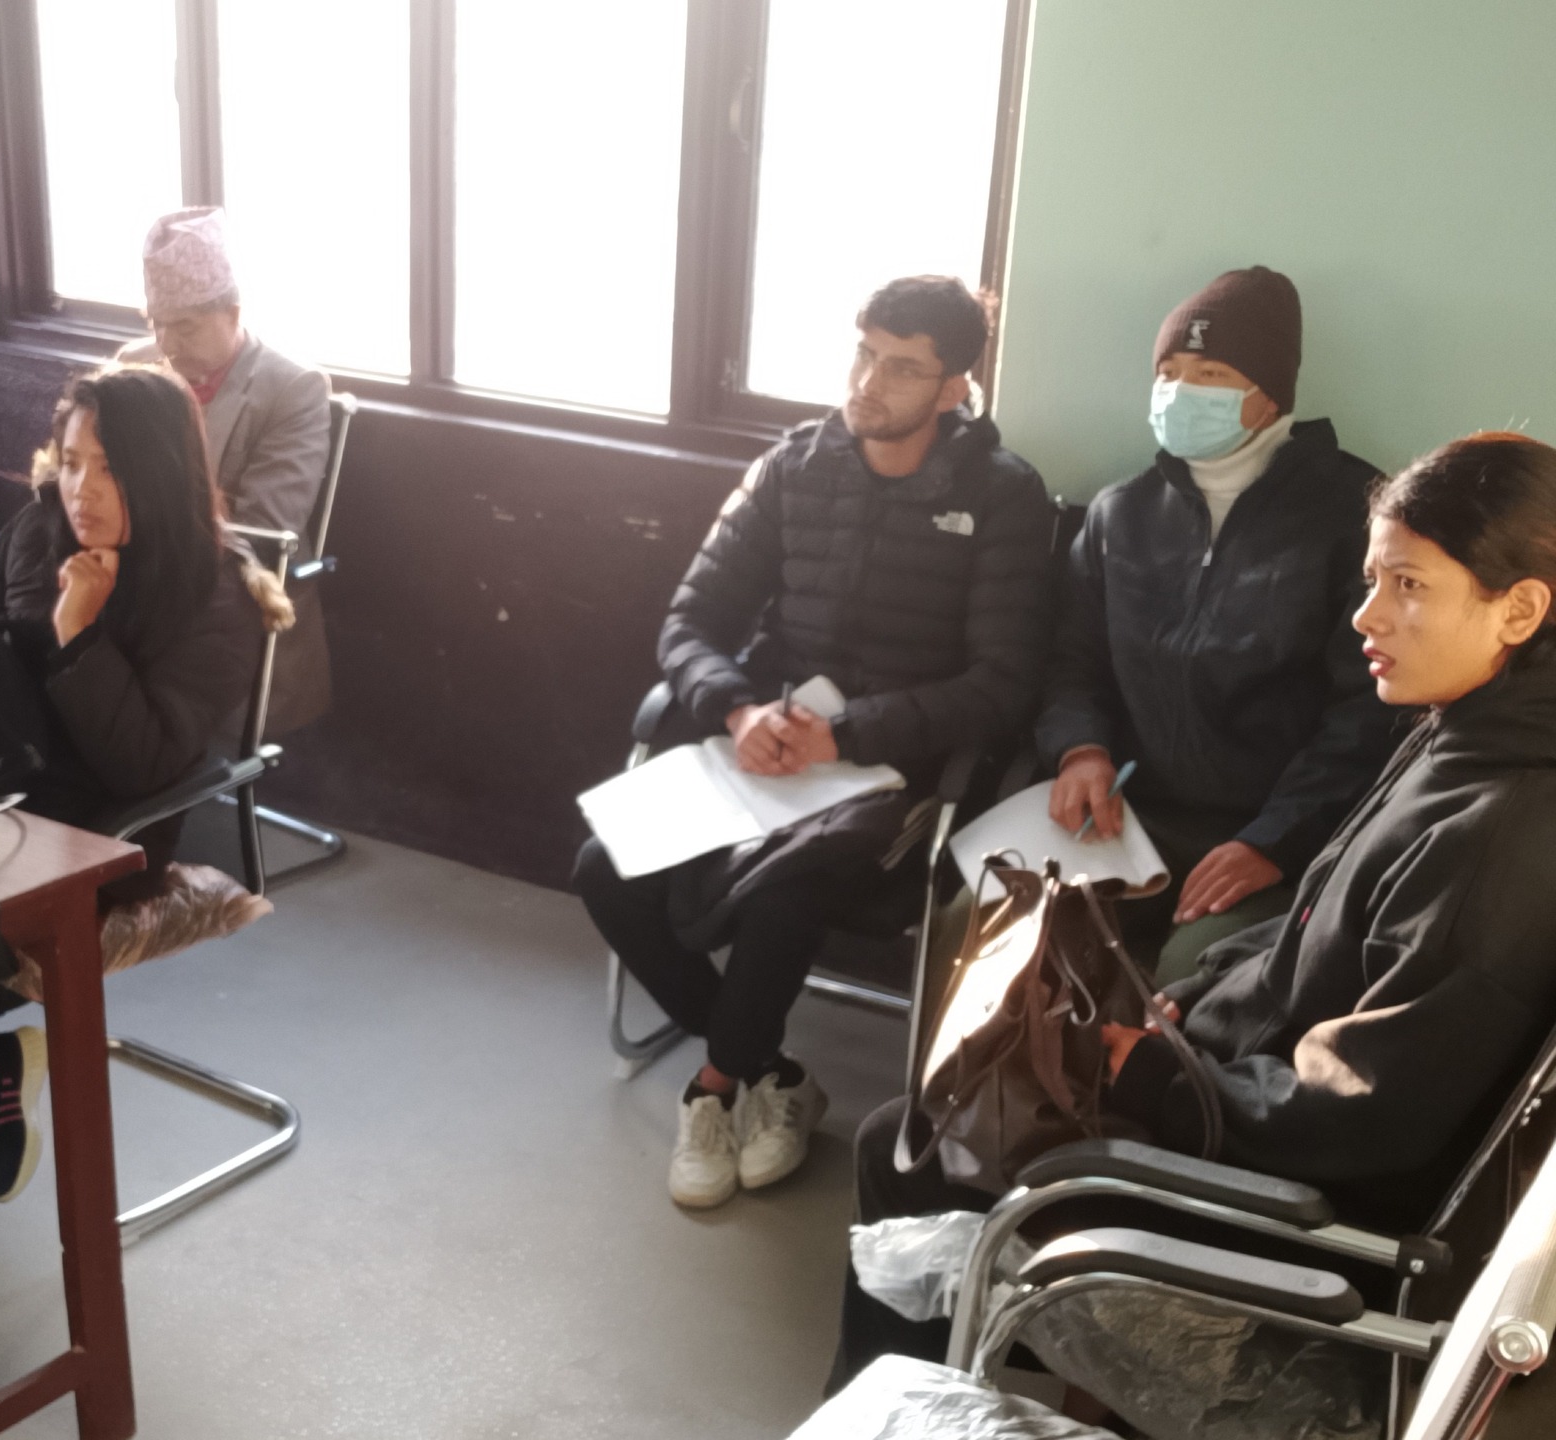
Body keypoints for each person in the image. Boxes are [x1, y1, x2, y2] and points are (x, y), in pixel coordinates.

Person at [835, 432, 1556, 1382]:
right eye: (1373, 579)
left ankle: (907, 1430)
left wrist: (1152, 1079)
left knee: (905, 1146)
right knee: (983, 1071)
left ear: (1520, 609)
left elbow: (1369, 1118)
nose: (1366, 614)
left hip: (1303, 1212)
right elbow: (1321, 919)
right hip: (1246, 1096)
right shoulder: (1464, 730)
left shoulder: (1503, 829)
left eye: (1409, 585)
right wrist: (1191, 996)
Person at [575, 277, 1058, 1211]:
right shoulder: (794, 465)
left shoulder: (1003, 495)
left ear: (955, 387)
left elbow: (1001, 686)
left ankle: (715, 1085)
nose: (869, 381)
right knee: (603, 868)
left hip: (893, 771)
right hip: (767, 741)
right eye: (865, 352)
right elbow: (690, 622)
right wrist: (737, 713)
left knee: (784, 892)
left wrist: (848, 734)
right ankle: (776, 1076)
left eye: (903, 367)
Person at [0, 364, 276, 1242]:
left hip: (95, 837)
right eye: (72, 462)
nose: (81, 489)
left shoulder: (218, 591)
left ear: (159, 470)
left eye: (108, 468)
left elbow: (144, 762)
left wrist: (79, 634)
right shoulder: (42, 526)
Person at [1037, 267, 1394, 986]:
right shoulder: (1119, 513)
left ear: (1271, 396)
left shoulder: (1358, 517)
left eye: (1211, 374)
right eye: (1168, 371)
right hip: (1127, 816)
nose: (1180, 391)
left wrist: (1274, 840)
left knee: (1193, 973)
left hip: (1274, 830)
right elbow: (1072, 660)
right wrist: (1081, 750)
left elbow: (1371, 710)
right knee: (997, 925)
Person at [121, 206, 333, 735]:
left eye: (185, 328)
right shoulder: (133, 365)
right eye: (157, 324)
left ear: (233, 314)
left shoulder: (292, 389)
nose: (168, 346)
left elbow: (264, 530)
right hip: (134, 603)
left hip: (235, 616)